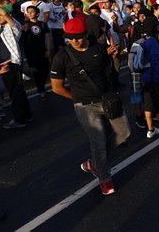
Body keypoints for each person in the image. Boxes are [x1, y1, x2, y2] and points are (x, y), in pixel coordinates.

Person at [50, 18, 131, 195]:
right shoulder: (62, 57)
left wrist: (113, 55)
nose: (74, 41)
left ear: (85, 34)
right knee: (98, 142)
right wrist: (76, 98)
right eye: (70, 38)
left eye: (78, 37)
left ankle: (95, 162)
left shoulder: (99, 48)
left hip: (107, 99)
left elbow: (106, 71)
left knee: (124, 133)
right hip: (85, 106)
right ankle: (104, 178)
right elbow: (56, 87)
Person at [0, 3, 32, 129]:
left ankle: (19, 119)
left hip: (12, 64)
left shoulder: (14, 27)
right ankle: (26, 115)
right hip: (1, 65)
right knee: (17, 90)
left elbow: (5, 14)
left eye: (0, 15)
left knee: (15, 91)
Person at [22, 5, 52, 100]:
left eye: (32, 11)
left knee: (45, 70)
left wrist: (48, 49)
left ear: (37, 14)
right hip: (30, 53)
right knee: (36, 72)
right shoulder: (24, 24)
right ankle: (41, 89)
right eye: (28, 12)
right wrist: (23, 30)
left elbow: (47, 37)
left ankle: (42, 87)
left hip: (42, 51)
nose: (30, 13)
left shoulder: (42, 24)